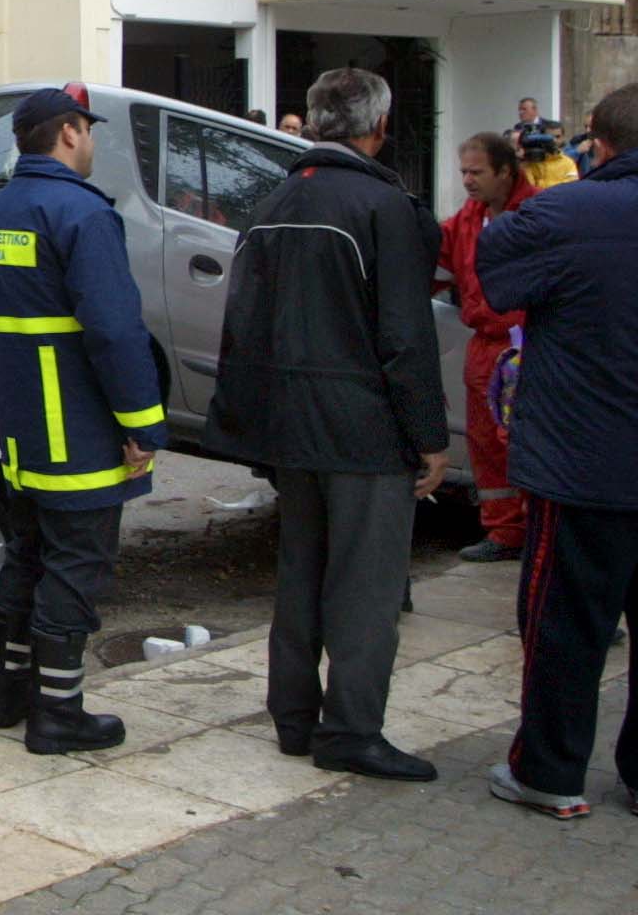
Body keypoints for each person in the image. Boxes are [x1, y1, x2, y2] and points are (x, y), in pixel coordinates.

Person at [206, 67, 447, 781]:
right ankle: (351, 730)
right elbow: (406, 335)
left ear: (313, 120)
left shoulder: (274, 200)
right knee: (366, 586)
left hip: (289, 428)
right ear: (377, 127)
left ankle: (293, 718)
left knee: (301, 573)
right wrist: (429, 438)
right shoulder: (383, 205)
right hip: (362, 429)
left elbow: (241, 326)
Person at [0, 83, 165, 756]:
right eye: (90, 131)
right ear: (71, 132)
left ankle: (7, 694)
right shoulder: (82, 215)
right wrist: (144, 423)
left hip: (22, 430)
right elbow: (114, 332)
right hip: (77, 426)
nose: (93, 143)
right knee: (76, 568)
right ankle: (58, 714)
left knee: (28, 556)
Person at [475, 82, 638, 820]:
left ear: (597, 145)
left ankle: (549, 771)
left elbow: (495, 265)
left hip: (585, 465)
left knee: (567, 625)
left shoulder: (564, 213)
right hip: (593, 457)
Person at [439, 133, 536, 562]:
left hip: (525, 345)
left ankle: (536, 531)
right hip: (485, 345)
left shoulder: (537, 214)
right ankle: (504, 530)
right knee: (484, 441)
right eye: (464, 172)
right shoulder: (467, 219)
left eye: (476, 172)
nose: (468, 180)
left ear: (504, 171)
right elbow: (437, 262)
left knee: (525, 443)